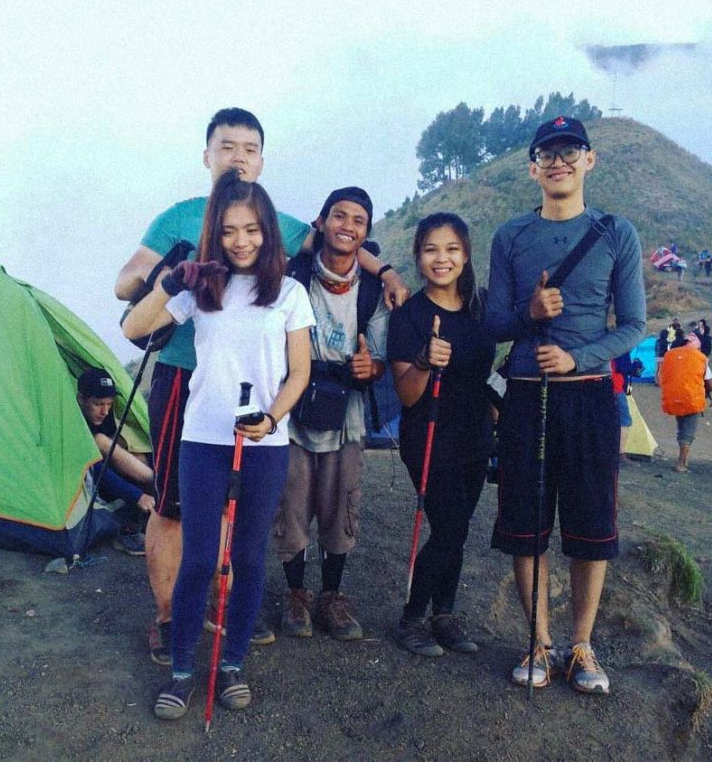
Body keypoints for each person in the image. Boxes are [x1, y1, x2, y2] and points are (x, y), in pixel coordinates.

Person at [114, 108, 409, 665]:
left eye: (250, 148)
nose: (239, 157)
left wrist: (388, 272)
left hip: (251, 388)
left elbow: (337, 238)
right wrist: (168, 277)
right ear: (207, 156)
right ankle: (169, 616)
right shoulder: (180, 217)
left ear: (262, 161)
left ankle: (218, 608)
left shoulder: (270, 218)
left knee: (236, 512)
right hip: (184, 376)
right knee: (175, 505)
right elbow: (124, 285)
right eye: (228, 147)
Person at [123, 171, 315, 720]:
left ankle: (231, 664)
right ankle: (183, 670)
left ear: (268, 231)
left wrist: (272, 416)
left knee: (249, 556)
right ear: (215, 232)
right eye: (229, 230)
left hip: (265, 442)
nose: (241, 241)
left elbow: (298, 372)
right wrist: (170, 282)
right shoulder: (202, 288)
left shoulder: (290, 293)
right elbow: (135, 330)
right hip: (201, 439)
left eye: (252, 229)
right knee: (201, 558)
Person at [485, 116, 646, 695]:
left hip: (590, 397)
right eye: (547, 154)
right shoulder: (510, 237)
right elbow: (493, 323)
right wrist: (531, 313)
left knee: (591, 523)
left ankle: (581, 644)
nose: (558, 162)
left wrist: (580, 359)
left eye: (569, 151)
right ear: (532, 168)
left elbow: (633, 325)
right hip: (527, 395)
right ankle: (537, 641)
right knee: (527, 524)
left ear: (588, 161)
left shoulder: (614, 232)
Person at [273, 187, 388, 642]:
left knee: (342, 503)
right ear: (319, 223)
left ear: (366, 232)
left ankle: (332, 595)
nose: (347, 226)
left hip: (347, 412)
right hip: (294, 408)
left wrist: (371, 366)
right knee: (292, 501)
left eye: (358, 220)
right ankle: (297, 593)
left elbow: (378, 354)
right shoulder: (291, 275)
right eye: (339, 216)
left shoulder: (374, 290)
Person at [387, 212, 494, 656]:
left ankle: (444, 613)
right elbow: (407, 396)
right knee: (449, 528)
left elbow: (494, 366)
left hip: (475, 435)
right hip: (428, 437)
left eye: (451, 249)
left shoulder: (482, 307)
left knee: (460, 527)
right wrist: (426, 362)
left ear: (466, 255)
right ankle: (412, 617)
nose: (441, 258)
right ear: (418, 257)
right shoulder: (409, 316)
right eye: (431, 249)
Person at [77, 368, 155, 555]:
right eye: (98, 404)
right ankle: (159, 488)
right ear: (81, 399)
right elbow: (94, 469)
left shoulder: (105, 417)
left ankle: (159, 489)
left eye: (109, 404)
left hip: (107, 476)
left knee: (134, 451)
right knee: (101, 441)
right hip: (85, 483)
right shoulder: (73, 424)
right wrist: (137, 496)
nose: (105, 411)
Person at [660, 333, 708, 472]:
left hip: (673, 398)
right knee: (688, 432)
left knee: (681, 429)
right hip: (691, 399)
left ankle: (684, 461)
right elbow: (708, 381)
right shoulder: (699, 358)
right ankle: (681, 464)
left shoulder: (670, 355)